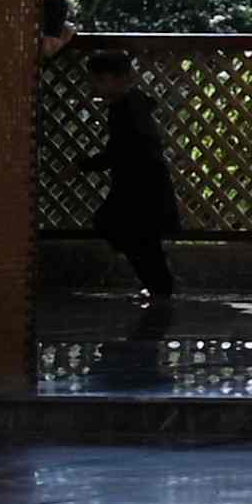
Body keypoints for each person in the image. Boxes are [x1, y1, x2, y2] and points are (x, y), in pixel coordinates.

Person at [82, 48, 182, 318]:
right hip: (141, 186)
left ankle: (160, 290)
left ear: (118, 79)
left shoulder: (126, 111)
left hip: (140, 188)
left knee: (129, 233)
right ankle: (158, 288)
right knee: (138, 238)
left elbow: (121, 149)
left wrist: (86, 164)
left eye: (98, 80)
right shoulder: (131, 106)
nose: (93, 85)